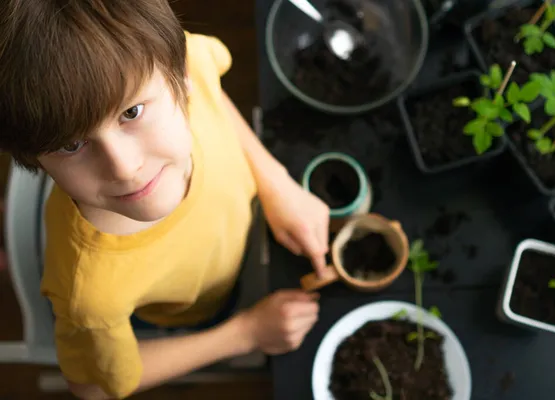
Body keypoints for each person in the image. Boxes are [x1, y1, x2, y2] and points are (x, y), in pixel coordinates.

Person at [0, 1, 331, 398]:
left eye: (132, 112)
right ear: (35, 159)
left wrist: (276, 183)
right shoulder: (90, 295)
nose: (123, 167)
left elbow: (209, 87)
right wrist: (246, 332)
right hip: (201, 311)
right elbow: (92, 387)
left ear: (180, 78)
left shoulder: (158, 56)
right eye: (72, 144)